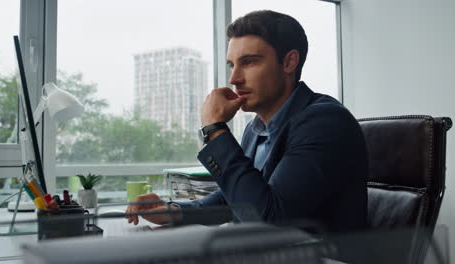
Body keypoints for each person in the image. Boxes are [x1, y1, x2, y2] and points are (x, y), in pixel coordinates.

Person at [126, 10, 368, 233]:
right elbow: (236, 198)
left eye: (249, 62)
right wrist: (173, 212)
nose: (234, 78)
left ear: (289, 62)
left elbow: (270, 220)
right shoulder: (256, 129)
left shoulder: (323, 122)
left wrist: (214, 129)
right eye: (232, 64)